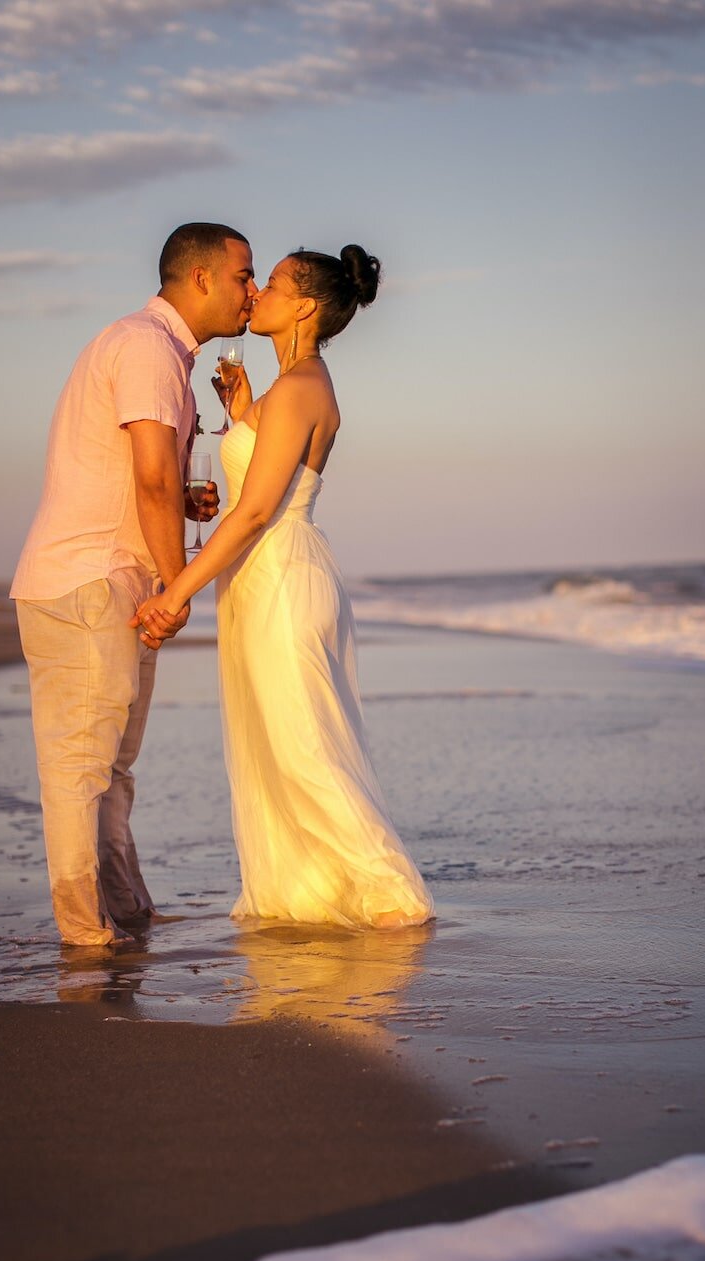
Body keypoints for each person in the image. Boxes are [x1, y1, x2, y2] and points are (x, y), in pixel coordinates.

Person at [133, 245, 433, 931]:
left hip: (282, 577)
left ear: (302, 305)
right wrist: (241, 412)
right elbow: (259, 476)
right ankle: (311, 898)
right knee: (274, 744)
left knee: (303, 745)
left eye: (270, 284)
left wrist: (175, 589)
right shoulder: (290, 387)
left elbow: (260, 508)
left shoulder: (301, 389)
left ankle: (394, 899)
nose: (256, 294)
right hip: (262, 579)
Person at [11, 222, 256, 948]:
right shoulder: (148, 346)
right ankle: (84, 933)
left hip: (109, 581)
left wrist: (185, 503)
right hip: (88, 583)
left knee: (111, 768)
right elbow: (149, 477)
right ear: (202, 278)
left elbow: (146, 479)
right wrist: (178, 587)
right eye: (244, 275)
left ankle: (127, 912)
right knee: (82, 768)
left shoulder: (158, 354)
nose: (252, 290)